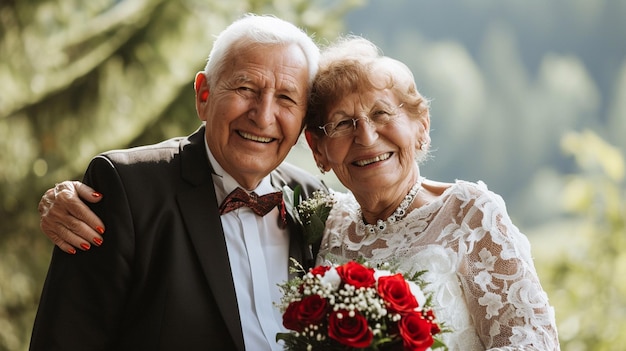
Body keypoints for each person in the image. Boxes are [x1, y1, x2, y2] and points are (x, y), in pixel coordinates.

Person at [30, 14, 325, 351]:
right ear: (204, 95)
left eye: (287, 98)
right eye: (245, 88)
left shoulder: (314, 200)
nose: (262, 115)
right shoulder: (125, 188)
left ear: (304, 120)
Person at [302, 36, 560, 350]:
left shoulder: (469, 214)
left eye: (382, 114)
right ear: (319, 150)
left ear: (421, 126)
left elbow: (533, 342)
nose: (366, 137)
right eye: (343, 123)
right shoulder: (329, 224)